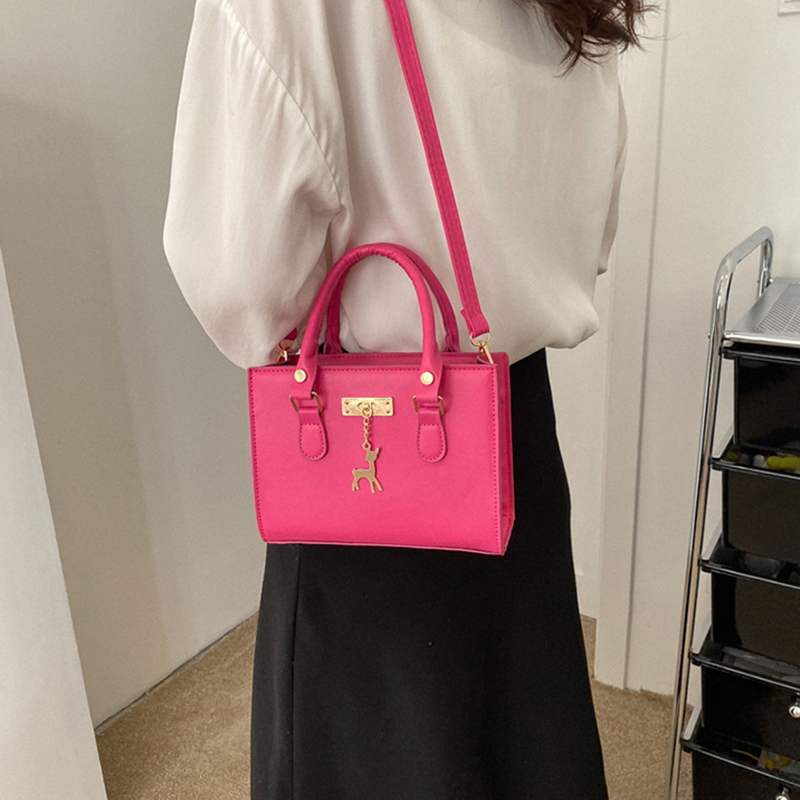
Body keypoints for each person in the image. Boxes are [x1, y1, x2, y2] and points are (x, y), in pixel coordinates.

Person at [163, 1, 646, 797]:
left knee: (370, 754)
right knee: (526, 743)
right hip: (514, 421)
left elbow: (239, 275)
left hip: (371, 457)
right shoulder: (576, 12)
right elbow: (592, 227)